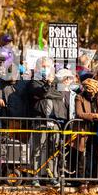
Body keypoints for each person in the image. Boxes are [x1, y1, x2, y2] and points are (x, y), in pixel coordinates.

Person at [27, 57, 67, 187]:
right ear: (38, 67)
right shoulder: (34, 81)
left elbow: (60, 95)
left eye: (48, 66)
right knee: (37, 150)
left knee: (53, 151)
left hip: (54, 121)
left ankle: (52, 176)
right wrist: (48, 86)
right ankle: (35, 176)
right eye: (43, 66)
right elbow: (39, 92)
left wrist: (46, 91)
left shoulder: (58, 80)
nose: (45, 68)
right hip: (40, 121)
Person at [74, 78, 98, 193]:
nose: (89, 92)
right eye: (87, 89)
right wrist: (95, 116)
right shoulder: (79, 97)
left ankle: (93, 181)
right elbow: (79, 113)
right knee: (83, 159)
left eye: (91, 90)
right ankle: (82, 183)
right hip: (85, 131)